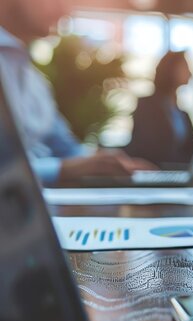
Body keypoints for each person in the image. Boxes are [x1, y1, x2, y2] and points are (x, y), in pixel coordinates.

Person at [0, 0, 155, 186]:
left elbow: (64, 145)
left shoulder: (33, 79)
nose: (64, 10)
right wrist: (63, 169)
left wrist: (103, 164)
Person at [126, 51, 193, 167]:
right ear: (171, 70)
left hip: (176, 173)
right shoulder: (147, 107)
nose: (190, 73)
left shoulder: (182, 113)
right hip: (151, 174)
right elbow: (150, 150)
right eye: (185, 67)